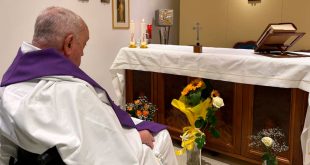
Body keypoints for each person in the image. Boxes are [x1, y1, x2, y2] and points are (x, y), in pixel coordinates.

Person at [0, 6, 178, 165]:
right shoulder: (73, 92)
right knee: (161, 137)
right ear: (68, 43)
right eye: (83, 45)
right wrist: (136, 137)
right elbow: (105, 148)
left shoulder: (8, 86)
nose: (83, 53)